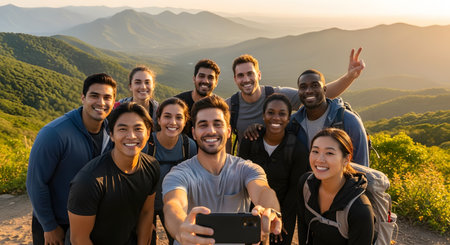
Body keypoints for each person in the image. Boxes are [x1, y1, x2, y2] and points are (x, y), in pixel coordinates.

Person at [162, 95, 282, 245]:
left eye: (218, 124)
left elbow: (263, 191)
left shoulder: (246, 168)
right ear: (194, 133)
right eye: (203, 125)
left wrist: (271, 211)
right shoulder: (179, 174)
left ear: (229, 130)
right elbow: (173, 205)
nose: (211, 131)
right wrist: (180, 228)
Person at [26, 73, 116, 245]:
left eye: (107, 97)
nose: (101, 103)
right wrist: (49, 226)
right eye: (94, 96)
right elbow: (35, 182)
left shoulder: (110, 132)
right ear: (83, 98)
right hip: (58, 223)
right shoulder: (54, 133)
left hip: (90, 222)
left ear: (113, 101)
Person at [226, 48, 365, 151]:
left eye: (250, 74)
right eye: (241, 75)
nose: (246, 79)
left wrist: (349, 77)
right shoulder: (230, 106)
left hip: (280, 166)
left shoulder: (277, 95)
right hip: (247, 167)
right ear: (235, 79)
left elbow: (317, 95)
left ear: (259, 75)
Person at [68, 102, 160, 244]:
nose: (131, 136)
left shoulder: (151, 166)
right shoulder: (89, 181)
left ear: (148, 133)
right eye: (122, 129)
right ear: (111, 134)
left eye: (138, 129)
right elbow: (79, 239)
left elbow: (146, 212)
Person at [239, 93, 309, 245]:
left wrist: (280, 217)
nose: (276, 118)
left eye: (282, 114)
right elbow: (240, 177)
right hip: (250, 213)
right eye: (271, 112)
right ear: (263, 115)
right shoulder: (250, 141)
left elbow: (294, 190)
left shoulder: (297, 149)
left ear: (289, 118)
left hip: (282, 215)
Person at [297, 128, 374, 245]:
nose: (319, 159)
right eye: (315, 151)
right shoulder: (306, 184)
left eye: (329, 153)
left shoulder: (359, 209)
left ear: (346, 159)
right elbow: (303, 228)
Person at [290, 69, 369, 166]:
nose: (309, 91)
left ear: (324, 89)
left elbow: (362, 167)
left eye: (315, 85)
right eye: (303, 87)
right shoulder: (293, 122)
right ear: (299, 92)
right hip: (306, 181)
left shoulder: (348, 121)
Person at [148, 98, 197, 244]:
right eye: (167, 116)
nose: (173, 122)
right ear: (159, 118)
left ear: (185, 120)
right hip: (148, 208)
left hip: (178, 208)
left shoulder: (189, 146)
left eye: (179, 117)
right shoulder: (147, 144)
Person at [175, 59, 221, 137]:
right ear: (194, 78)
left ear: (216, 82)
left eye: (210, 77)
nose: (205, 81)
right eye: (201, 76)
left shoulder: (219, 108)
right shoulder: (178, 104)